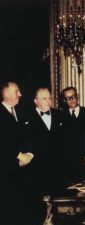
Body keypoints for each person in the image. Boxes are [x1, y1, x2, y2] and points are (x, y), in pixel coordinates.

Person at [0, 82, 33, 223]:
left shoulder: (22, 111)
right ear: (6, 93)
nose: (20, 94)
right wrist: (19, 155)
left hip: (22, 171)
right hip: (5, 171)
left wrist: (29, 155)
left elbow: (30, 135)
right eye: (17, 91)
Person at [27, 88, 65, 195]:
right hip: (37, 169)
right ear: (36, 101)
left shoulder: (60, 115)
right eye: (44, 98)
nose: (49, 101)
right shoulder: (27, 117)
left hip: (59, 168)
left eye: (49, 98)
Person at [61, 87, 85, 184]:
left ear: (78, 97)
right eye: (68, 98)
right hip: (68, 162)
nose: (72, 100)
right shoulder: (60, 115)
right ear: (64, 100)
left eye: (74, 96)